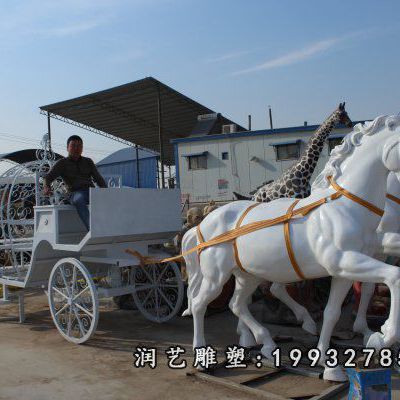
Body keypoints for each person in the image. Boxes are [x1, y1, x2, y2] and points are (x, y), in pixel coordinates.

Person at [43, 135, 107, 230]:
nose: (77, 148)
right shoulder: (62, 163)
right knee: (79, 199)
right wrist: (46, 187)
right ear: (67, 148)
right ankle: (93, 230)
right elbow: (47, 177)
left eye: (79, 146)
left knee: (110, 199)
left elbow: (98, 178)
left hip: (91, 191)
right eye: (73, 146)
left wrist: (107, 192)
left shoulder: (88, 161)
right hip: (75, 193)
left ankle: (112, 229)